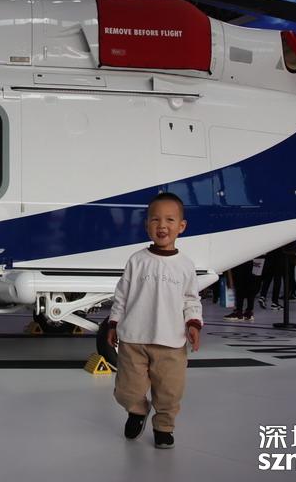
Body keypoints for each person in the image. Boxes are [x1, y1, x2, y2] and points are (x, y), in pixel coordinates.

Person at [107, 192, 202, 449]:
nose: (162, 225)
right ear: (146, 225)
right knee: (126, 390)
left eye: (170, 220)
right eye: (155, 219)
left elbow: (191, 300)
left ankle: (163, 427)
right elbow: (122, 295)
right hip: (133, 338)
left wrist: (193, 323)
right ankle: (137, 410)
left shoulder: (185, 265)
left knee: (170, 392)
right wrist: (113, 323)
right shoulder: (137, 260)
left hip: (171, 341)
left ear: (181, 226)